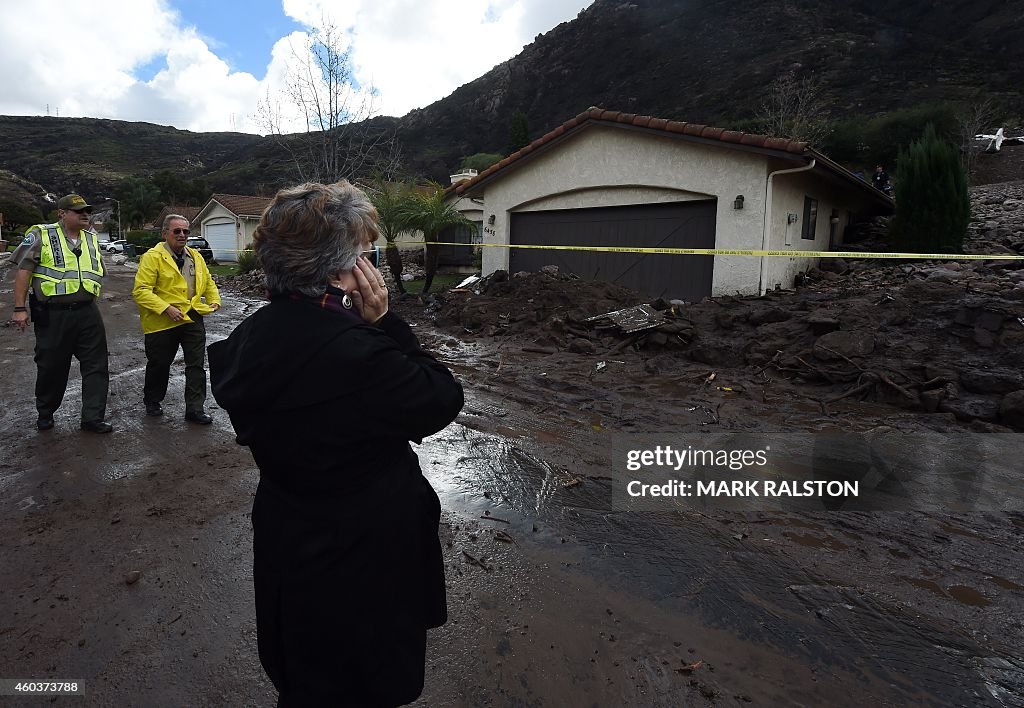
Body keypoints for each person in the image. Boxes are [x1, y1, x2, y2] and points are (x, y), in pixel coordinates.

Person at [207, 181, 464, 706]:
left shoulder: (246, 341)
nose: (370, 266)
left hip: (287, 535)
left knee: (303, 672)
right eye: (365, 256)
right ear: (337, 271)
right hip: (363, 554)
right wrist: (389, 321)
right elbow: (441, 398)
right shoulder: (359, 353)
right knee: (363, 679)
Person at [10, 194, 113, 433]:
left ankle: (92, 417)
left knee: (96, 365)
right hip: (53, 314)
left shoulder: (91, 238)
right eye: (78, 211)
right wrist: (19, 308)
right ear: (61, 214)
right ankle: (45, 412)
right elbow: (24, 271)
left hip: (87, 311)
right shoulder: (41, 234)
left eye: (87, 211)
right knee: (52, 366)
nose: (85, 215)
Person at [131, 214, 221, 423]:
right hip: (163, 321)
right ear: (165, 234)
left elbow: (208, 282)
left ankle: (195, 409)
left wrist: (215, 301)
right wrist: (166, 309)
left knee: (196, 364)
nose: (182, 235)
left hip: (192, 317)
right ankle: (153, 400)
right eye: (177, 231)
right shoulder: (152, 257)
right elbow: (141, 291)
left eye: (186, 231)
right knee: (160, 363)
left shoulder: (196, 257)